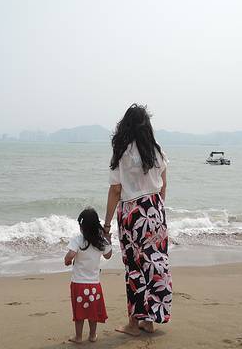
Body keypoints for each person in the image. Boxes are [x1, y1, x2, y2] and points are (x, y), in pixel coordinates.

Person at [103, 104, 171, 337]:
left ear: (125, 125)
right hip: (155, 210)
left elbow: (115, 190)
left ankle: (134, 324)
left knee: (134, 267)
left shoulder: (122, 151)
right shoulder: (156, 149)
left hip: (132, 214)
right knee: (154, 264)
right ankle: (149, 321)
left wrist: (107, 224)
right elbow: (163, 185)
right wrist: (157, 212)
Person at [64, 207, 112, 344]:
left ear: (82, 227)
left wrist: (67, 260)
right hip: (94, 285)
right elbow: (108, 255)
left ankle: (78, 337)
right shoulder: (101, 241)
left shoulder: (78, 240)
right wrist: (108, 240)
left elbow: (71, 255)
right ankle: (92, 335)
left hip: (78, 284)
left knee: (79, 313)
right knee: (93, 312)